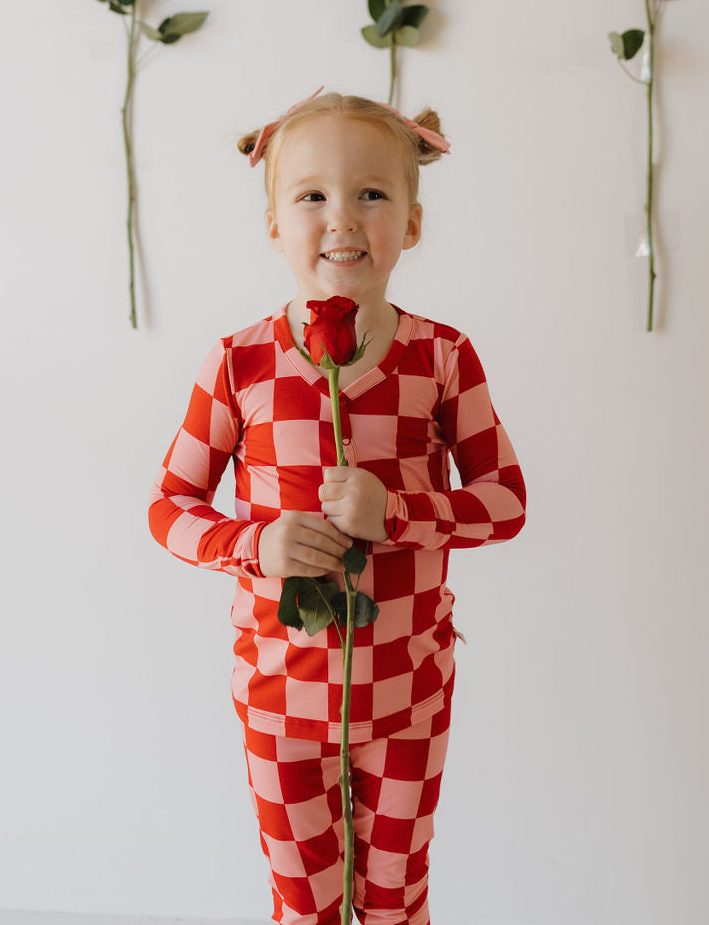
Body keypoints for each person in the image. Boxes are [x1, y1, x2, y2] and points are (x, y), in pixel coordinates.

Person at [148, 89, 526, 925]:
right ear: (275, 225)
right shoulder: (237, 364)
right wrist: (255, 543)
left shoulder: (443, 356)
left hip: (407, 700)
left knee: (395, 900)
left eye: (372, 193)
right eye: (312, 195)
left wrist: (396, 511)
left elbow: (504, 502)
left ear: (413, 224)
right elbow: (170, 505)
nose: (342, 218)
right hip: (280, 700)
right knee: (304, 904)